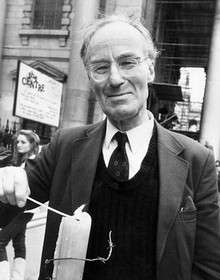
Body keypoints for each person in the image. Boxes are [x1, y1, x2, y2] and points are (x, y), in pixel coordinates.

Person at [0, 13, 220, 280]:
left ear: (150, 69)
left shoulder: (197, 160)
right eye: (101, 67)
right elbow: (6, 209)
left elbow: (209, 267)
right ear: (90, 77)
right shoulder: (64, 147)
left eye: (128, 62)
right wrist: (5, 183)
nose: (115, 79)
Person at [0, 129, 40, 280]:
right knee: (19, 242)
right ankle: (18, 277)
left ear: (32, 144)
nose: (18, 145)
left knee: (0, 241)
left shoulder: (36, 163)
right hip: (15, 209)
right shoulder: (17, 160)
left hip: (25, 210)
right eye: (17, 142)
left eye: (23, 142)